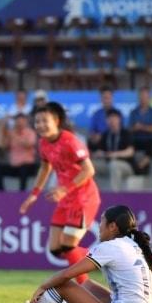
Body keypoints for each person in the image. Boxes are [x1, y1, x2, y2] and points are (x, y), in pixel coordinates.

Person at [0, 204, 152, 303]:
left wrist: (42, 286)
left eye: (102, 221)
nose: (98, 226)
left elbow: (66, 275)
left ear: (113, 227)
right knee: (86, 285)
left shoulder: (110, 247)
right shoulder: (138, 247)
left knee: (64, 285)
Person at [19, 102, 100, 287]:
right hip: (65, 199)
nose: (40, 125)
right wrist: (34, 194)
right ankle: (104, 260)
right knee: (55, 248)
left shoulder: (70, 141)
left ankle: (86, 286)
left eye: (44, 121)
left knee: (68, 245)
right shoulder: (43, 143)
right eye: (37, 121)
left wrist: (64, 188)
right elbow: (45, 166)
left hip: (83, 197)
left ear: (56, 121)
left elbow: (89, 170)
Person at [91, 109, 136, 191]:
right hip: (108, 165)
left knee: (114, 164)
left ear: (119, 119)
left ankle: (114, 195)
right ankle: (92, 194)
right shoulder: (105, 134)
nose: (111, 121)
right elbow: (99, 152)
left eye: (114, 118)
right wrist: (99, 153)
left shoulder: (126, 133)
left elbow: (130, 151)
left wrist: (113, 154)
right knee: (90, 166)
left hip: (126, 166)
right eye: (109, 119)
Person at [0, 113, 38, 191]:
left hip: (27, 166)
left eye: (22, 121)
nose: (19, 124)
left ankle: (21, 194)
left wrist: (16, 136)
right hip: (14, 166)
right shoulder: (11, 133)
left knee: (24, 168)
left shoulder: (30, 132)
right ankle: (1, 193)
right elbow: (2, 146)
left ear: (25, 122)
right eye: (18, 121)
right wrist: (3, 127)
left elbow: (29, 145)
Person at [128, 87, 152, 173]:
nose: (143, 99)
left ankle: (141, 165)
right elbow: (130, 129)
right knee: (127, 145)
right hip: (136, 139)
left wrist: (141, 127)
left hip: (149, 139)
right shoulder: (133, 112)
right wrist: (135, 128)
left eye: (145, 97)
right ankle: (136, 166)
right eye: (141, 97)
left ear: (149, 98)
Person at [87, 86, 117, 152]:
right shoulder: (96, 114)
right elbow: (92, 131)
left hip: (112, 140)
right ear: (101, 99)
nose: (106, 100)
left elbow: (119, 131)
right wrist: (94, 136)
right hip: (99, 141)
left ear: (112, 98)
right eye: (104, 98)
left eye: (108, 98)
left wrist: (103, 135)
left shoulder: (117, 114)